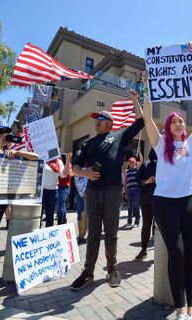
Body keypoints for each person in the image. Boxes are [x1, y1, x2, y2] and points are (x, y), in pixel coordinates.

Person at [142, 70, 192, 320]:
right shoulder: (161, 145)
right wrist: (149, 89)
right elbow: (147, 116)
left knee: (190, 253)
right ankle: (179, 307)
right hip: (164, 203)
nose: (178, 124)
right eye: (174, 121)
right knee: (176, 252)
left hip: (189, 202)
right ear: (168, 126)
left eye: (181, 121)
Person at [71, 91, 144, 290]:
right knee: (94, 234)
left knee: (111, 233)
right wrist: (84, 172)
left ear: (110, 123)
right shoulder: (87, 143)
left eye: (101, 118)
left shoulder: (119, 135)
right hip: (92, 192)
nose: (97, 120)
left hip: (113, 190)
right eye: (96, 118)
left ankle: (112, 269)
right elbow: (75, 167)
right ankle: (88, 273)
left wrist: (135, 100)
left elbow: (141, 121)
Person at [0, 121, 39, 227]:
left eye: (6, 133)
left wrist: (17, 152)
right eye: (1, 133)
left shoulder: (8, 152)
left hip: (3, 197)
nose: (4, 136)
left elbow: (36, 156)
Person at [134, 148, 157, 261]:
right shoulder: (146, 164)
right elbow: (137, 179)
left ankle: (161, 253)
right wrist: (146, 181)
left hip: (161, 201)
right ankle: (143, 250)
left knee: (161, 228)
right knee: (146, 226)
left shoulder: (165, 165)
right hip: (147, 200)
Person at [42, 157, 69, 227]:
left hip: (52, 191)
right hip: (40, 191)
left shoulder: (58, 162)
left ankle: (48, 234)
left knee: (50, 215)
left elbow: (64, 175)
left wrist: (68, 161)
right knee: (38, 214)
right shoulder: (41, 158)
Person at [123, 149, 143, 228]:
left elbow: (141, 160)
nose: (131, 164)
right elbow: (125, 182)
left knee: (136, 206)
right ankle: (129, 221)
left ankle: (137, 222)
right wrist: (125, 190)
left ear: (135, 163)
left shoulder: (136, 168)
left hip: (137, 190)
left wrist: (139, 152)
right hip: (129, 191)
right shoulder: (126, 171)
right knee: (129, 206)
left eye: (132, 162)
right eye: (130, 162)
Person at [56, 153, 73, 225]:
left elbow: (70, 174)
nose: (58, 159)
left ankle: (60, 223)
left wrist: (67, 162)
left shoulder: (68, 165)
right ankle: (64, 220)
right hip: (58, 186)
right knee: (61, 205)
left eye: (59, 158)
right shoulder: (59, 165)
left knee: (60, 204)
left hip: (65, 187)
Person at [74, 173, 88, 244]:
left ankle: (90, 235)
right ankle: (80, 236)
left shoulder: (90, 164)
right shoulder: (76, 164)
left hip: (89, 192)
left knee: (87, 215)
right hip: (79, 193)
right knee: (79, 214)